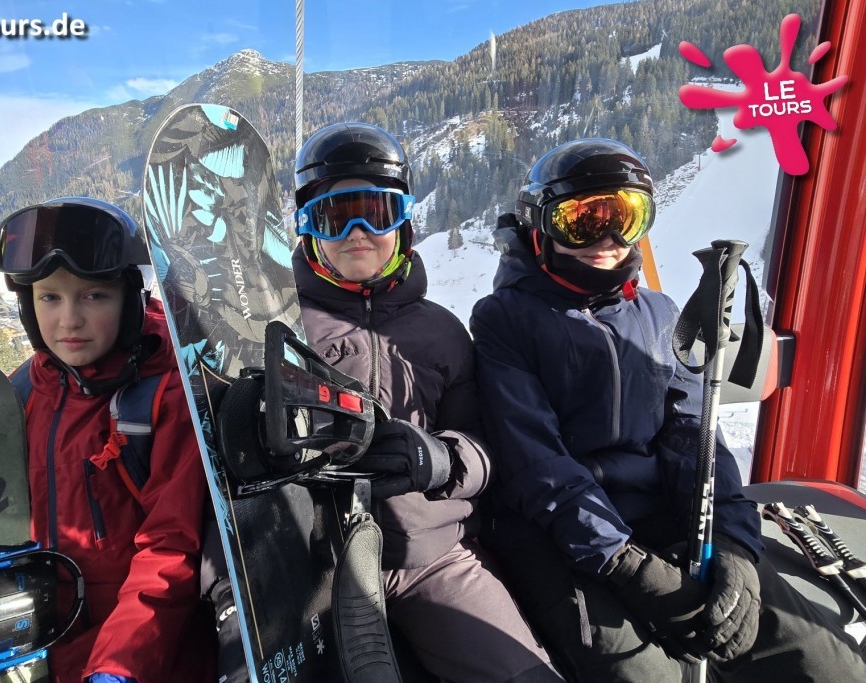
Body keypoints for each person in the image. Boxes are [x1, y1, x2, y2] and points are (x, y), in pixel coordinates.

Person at [470, 137, 866, 682]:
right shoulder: (504, 319)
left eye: (626, 219)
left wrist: (733, 541)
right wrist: (625, 563)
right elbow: (536, 462)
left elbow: (695, 435)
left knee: (819, 660)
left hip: (665, 515)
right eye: (581, 222)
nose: (606, 240)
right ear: (540, 226)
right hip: (560, 537)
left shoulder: (659, 313)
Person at [289, 122, 559, 682]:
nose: (358, 233)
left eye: (377, 213)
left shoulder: (441, 332)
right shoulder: (283, 329)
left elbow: (487, 443)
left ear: (405, 221)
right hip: (314, 565)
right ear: (308, 227)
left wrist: (444, 459)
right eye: (335, 217)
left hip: (429, 557)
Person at [0, 197, 214, 683]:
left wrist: (119, 665)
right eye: (50, 297)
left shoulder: (163, 396)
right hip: (43, 653)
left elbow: (172, 546)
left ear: (130, 300)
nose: (68, 319)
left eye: (93, 296)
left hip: (146, 655)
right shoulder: (23, 392)